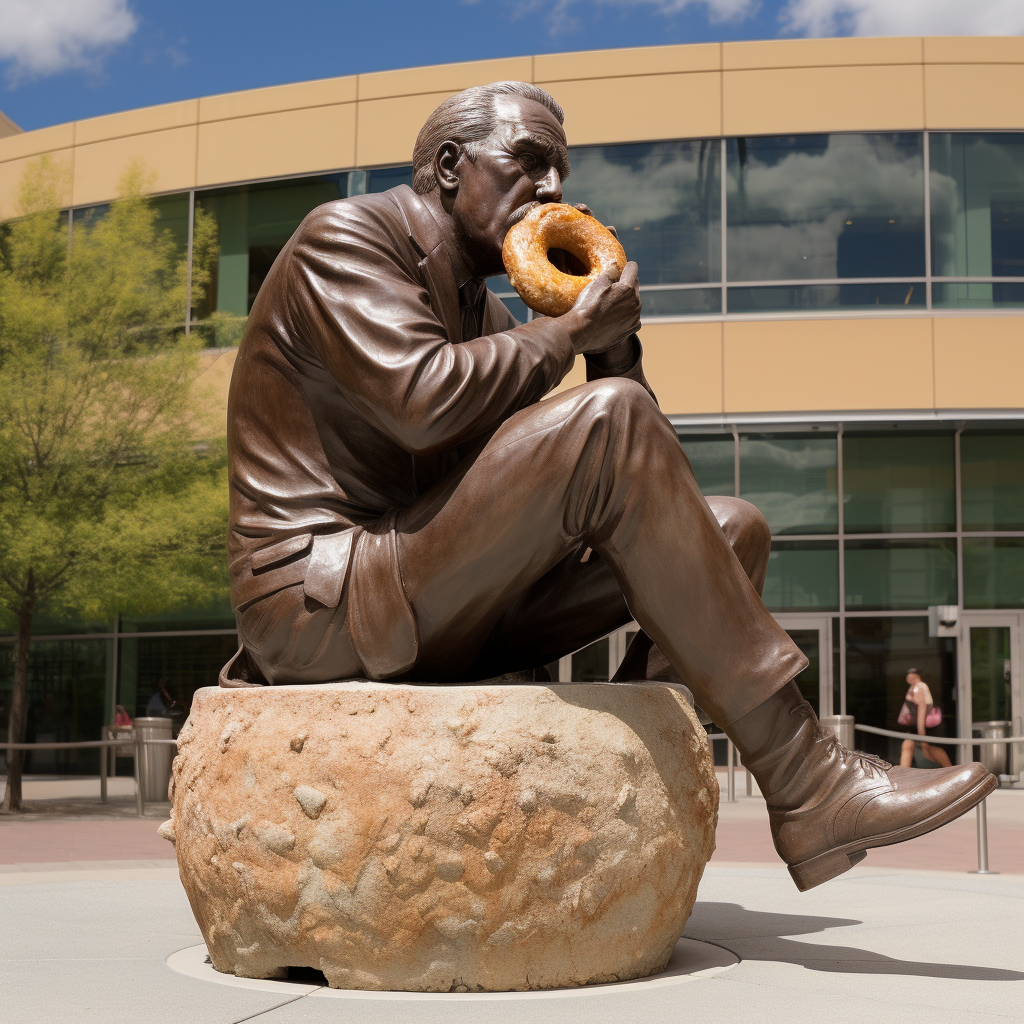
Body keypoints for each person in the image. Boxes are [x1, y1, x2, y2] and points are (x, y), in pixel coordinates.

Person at [221, 80, 995, 890]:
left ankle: (626, 774)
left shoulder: (483, 312)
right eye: (528, 162)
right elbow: (426, 402)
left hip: (435, 595)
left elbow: (652, 487)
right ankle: (808, 783)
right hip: (322, 602)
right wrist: (571, 335)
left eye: (558, 169)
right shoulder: (347, 238)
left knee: (731, 531)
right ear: (450, 167)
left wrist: (614, 349)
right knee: (607, 422)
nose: (553, 189)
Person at [900, 668, 952, 768]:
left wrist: (921, 734)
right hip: (919, 730)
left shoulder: (919, 688)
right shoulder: (916, 687)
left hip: (921, 729)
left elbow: (922, 708)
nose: (909, 678)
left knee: (918, 748)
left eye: (911, 675)